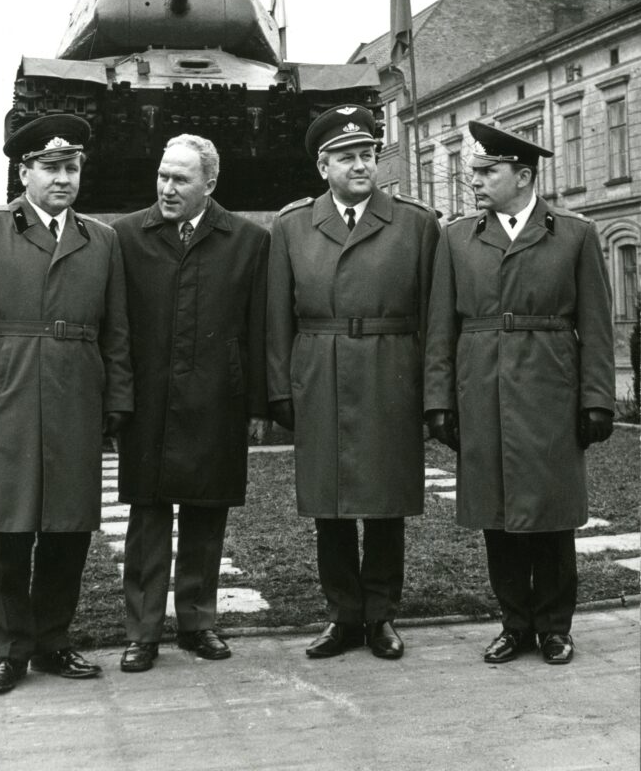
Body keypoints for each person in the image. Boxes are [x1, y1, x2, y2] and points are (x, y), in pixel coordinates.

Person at [0, 115, 133, 695]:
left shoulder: (102, 239)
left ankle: (52, 641)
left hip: (76, 394)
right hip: (9, 394)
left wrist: (117, 397)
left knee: (68, 527)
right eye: (50, 168)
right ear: (24, 172)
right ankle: (8, 649)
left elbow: (115, 329)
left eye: (71, 168)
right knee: (7, 528)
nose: (63, 178)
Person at [424, 121, 615, 666]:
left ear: (524, 175)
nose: (476, 181)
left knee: (552, 514)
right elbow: (441, 326)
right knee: (497, 513)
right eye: (476, 171)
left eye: (488, 172)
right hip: (480, 387)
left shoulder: (574, 233)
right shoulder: (457, 237)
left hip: (550, 387)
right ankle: (513, 624)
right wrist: (439, 401)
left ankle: (554, 627)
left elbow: (597, 325)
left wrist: (596, 398)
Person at [266, 105, 439, 661]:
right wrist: (281, 388)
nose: (361, 165)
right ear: (323, 166)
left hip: (392, 369)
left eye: (367, 154)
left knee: (386, 502)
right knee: (330, 503)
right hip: (321, 370)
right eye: (347, 157)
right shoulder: (292, 225)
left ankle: (382, 615)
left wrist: (434, 393)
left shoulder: (415, 222)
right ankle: (342, 616)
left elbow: (437, 314)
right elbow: (276, 318)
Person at [112, 134, 270, 672]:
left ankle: (199, 623)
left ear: (210, 184)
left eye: (180, 178)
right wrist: (119, 396)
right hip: (149, 400)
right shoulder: (127, 236)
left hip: (216, 399)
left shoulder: (247, 240)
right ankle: (142, 631)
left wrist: (255, 405)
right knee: (148, 516)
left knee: (207, 512)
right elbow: (117, 327)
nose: (167, 188)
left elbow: (258, 328)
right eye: (162, 176)